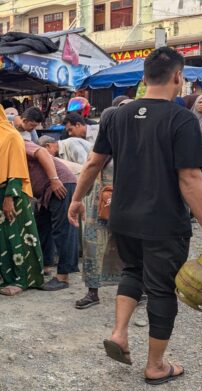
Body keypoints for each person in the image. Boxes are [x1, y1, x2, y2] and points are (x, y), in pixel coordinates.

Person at [68, 47, 202, 384]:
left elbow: (94, 163)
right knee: (163, 288)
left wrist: (77, 199)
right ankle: (155, 366)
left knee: (134, 272)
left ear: (144, 78)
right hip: (164, 222)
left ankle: (120, 333)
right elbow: (190, 177)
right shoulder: (181, 118)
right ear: (178, 77)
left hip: (123, 218)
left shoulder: (115, 116)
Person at [0, 104, 44, 296]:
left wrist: (9, 197)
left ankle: (21, 279)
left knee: (16, 238)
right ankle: (1, 276)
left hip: (10, 196)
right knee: (2, 239)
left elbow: (16, 168)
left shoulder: (11, 136)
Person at [74, 108, 124, 309]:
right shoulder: (100, 143)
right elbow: (91, 166)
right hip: (98, 203)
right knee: (94, 245)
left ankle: (137, 289)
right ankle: (92, 291)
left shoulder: (135, 144)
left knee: (128, 246)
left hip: (123, 201)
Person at [23, 139, 77, 291]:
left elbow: (42, 152)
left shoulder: (18, 142)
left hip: (60, 184)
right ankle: (45, 265)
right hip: (47, 192)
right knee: (42, 226)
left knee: (63, 229)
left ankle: (63, 277)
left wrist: (54, 180)